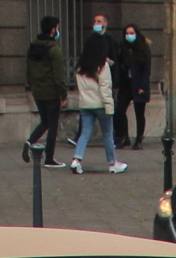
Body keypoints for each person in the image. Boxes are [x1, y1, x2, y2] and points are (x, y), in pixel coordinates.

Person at [69, 13, 127, 174]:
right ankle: (112, 163)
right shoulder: (102, 66)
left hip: (85, 104)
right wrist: (110, 108)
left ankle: (76, 159)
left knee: (85, 132)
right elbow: (105, 88)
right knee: (108, 135)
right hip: (101, 104)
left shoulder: (80, 67)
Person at [22, 15, 65, 163]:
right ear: (53, 29)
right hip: (51, 92)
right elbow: (59, 75)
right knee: (52, 125)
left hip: (37, 91)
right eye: (57, 28)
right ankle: (49, 157)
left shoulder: (33, 47)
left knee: (45, 121)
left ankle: (30, 141)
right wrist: (63, 94)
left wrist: (31, 85)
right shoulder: (54, 50)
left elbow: (28, 70)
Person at [115, 23, 153, 149]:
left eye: (131, 33)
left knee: (139, 113)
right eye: (127, 33)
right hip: (126, 84)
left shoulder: (143, 49)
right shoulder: (123, 48)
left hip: (139, 84)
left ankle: (139, 139)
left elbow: (146, 70)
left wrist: (142, 86)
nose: (129, 36)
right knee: (120, 110)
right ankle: (124, 137)